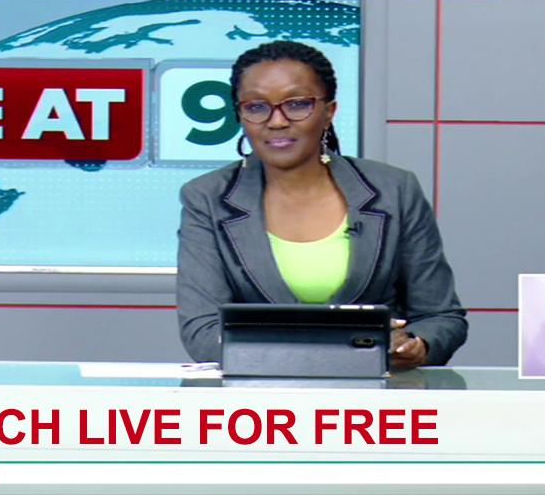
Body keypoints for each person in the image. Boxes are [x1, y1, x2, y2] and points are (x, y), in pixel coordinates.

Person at [176, 41, 467, 369]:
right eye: (256, 107)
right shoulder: (207, 198)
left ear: (329, 111)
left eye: (297, 104)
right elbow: (203, 334)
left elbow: (441, 318)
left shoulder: (394, 189)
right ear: (240, 115)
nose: (276, 121)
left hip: (377, 394)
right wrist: (351, 348)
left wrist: (416, 345)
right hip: (258, 394)